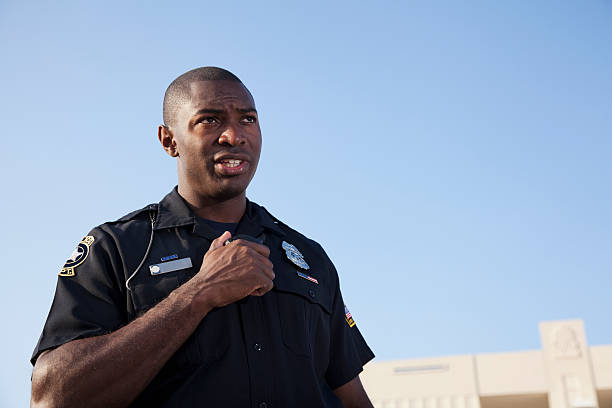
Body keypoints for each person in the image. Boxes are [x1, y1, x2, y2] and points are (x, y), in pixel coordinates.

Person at [30, 67, 374, 407]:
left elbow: (351, 396)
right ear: (169, 140)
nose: (233, 135)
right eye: (209, 120)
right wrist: (200, 291)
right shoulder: (118, 248)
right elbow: (52, 397)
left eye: (248, 120)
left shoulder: (308, 256)